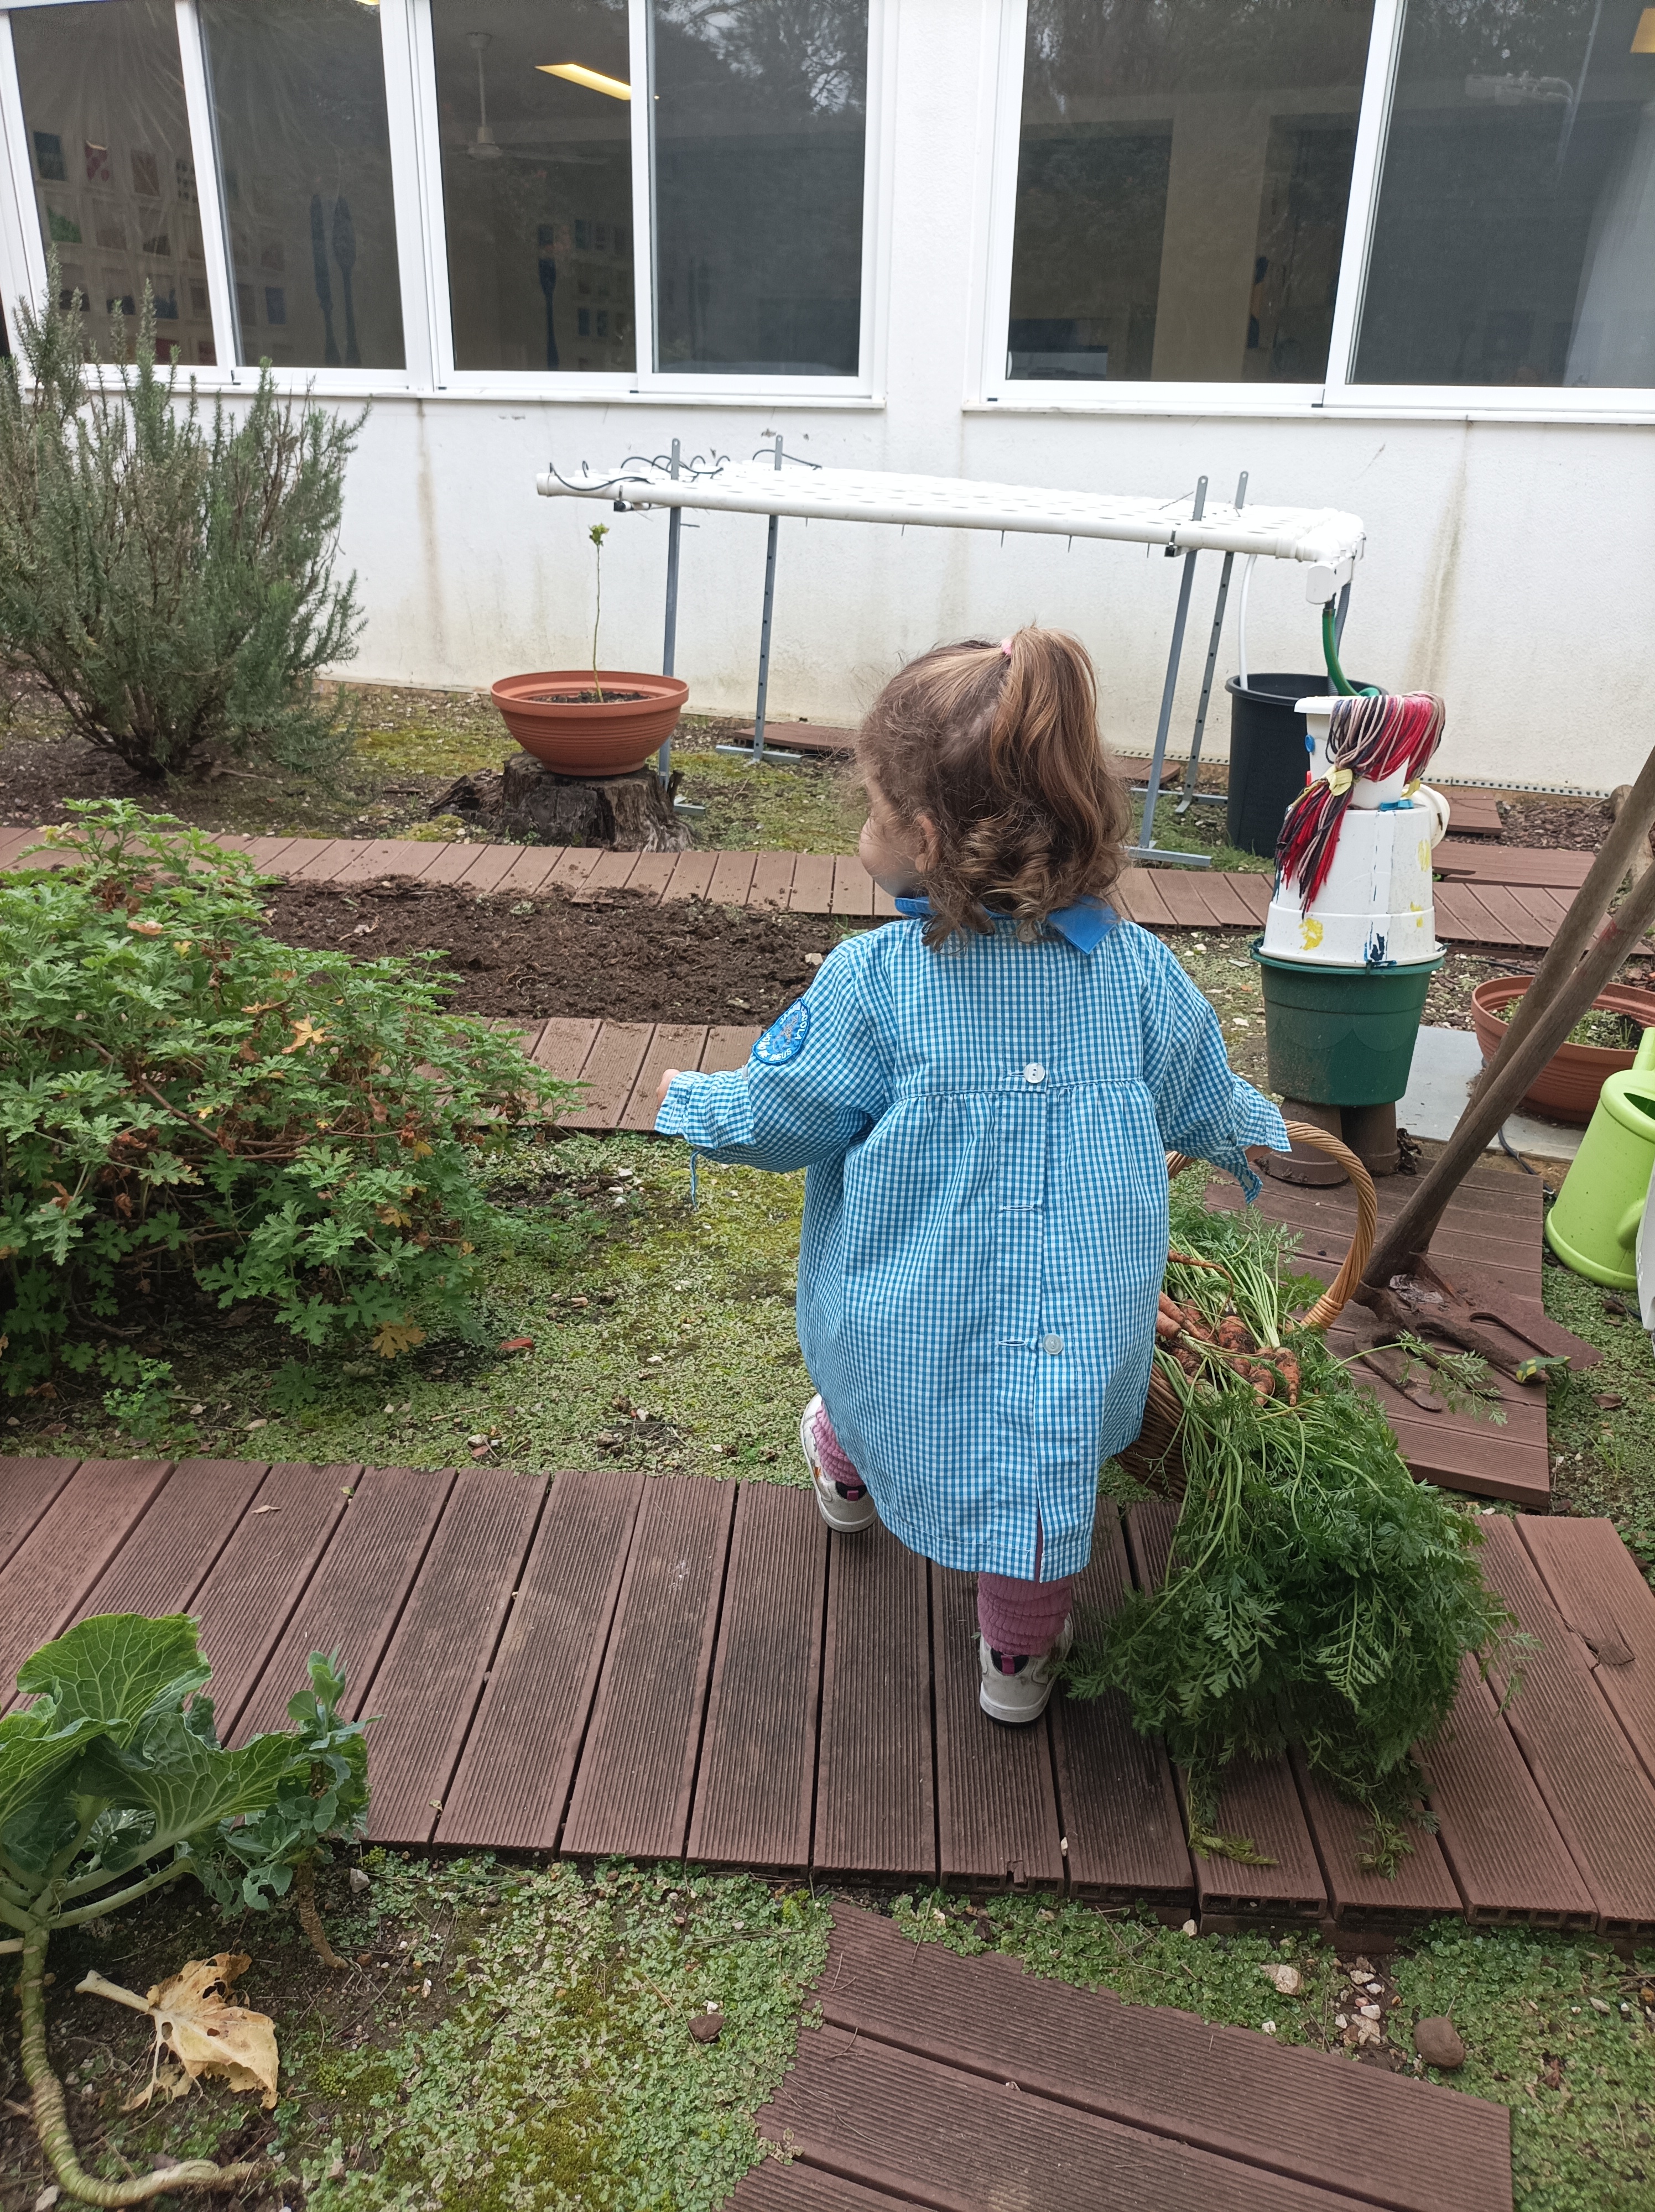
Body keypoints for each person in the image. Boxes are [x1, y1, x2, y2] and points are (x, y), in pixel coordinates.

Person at [654, 628, 1287, 1723]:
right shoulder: (1138, 973)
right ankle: (1014, 1665)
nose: (863, 834)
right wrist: (1254, 1133)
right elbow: (1200, 1090)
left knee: (874, 1386)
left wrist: (691, 1106)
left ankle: (846, 1473)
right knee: (1044, 1471)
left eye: (871, 811)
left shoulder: (876, 986)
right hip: (1077, 1332)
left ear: (930, 839)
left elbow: (781, 1112)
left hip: (906, 1313)